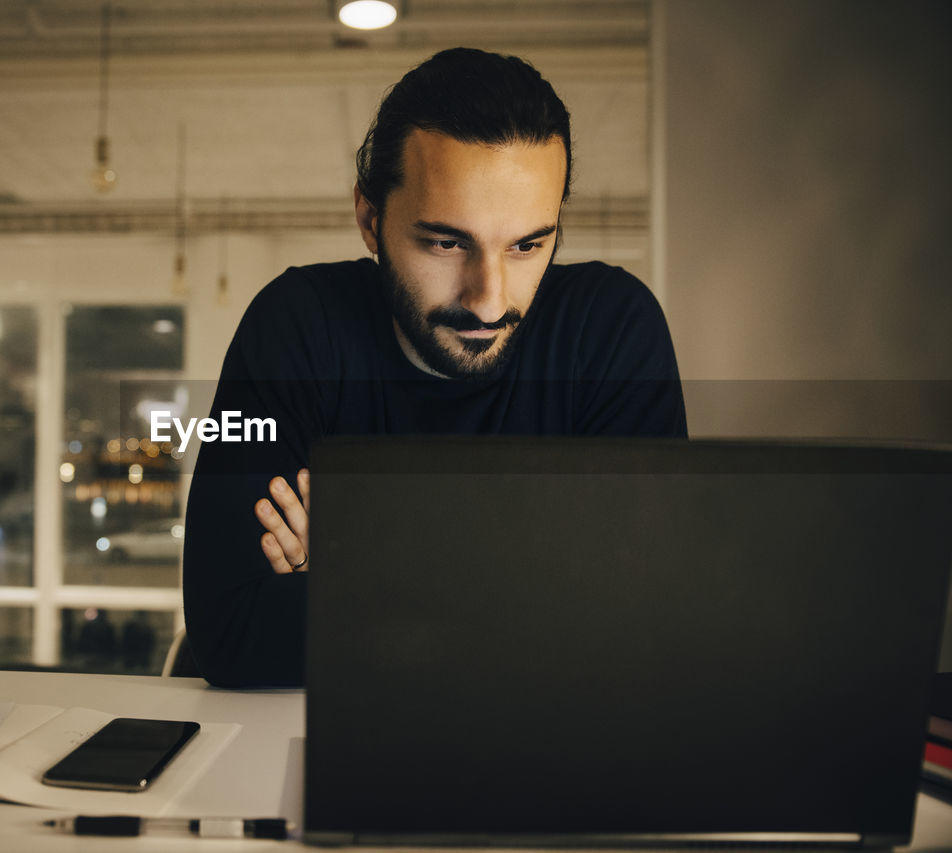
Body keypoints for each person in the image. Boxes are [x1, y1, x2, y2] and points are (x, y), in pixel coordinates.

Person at [181, 47, 687, 688]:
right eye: (447, 242)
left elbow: (649, 629)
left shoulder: (610, 330)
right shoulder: (296, 326)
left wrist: (357, 572)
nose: (490, 298)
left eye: (528, 245)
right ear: (370, 219)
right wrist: (537, 585)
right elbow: (233, 634)